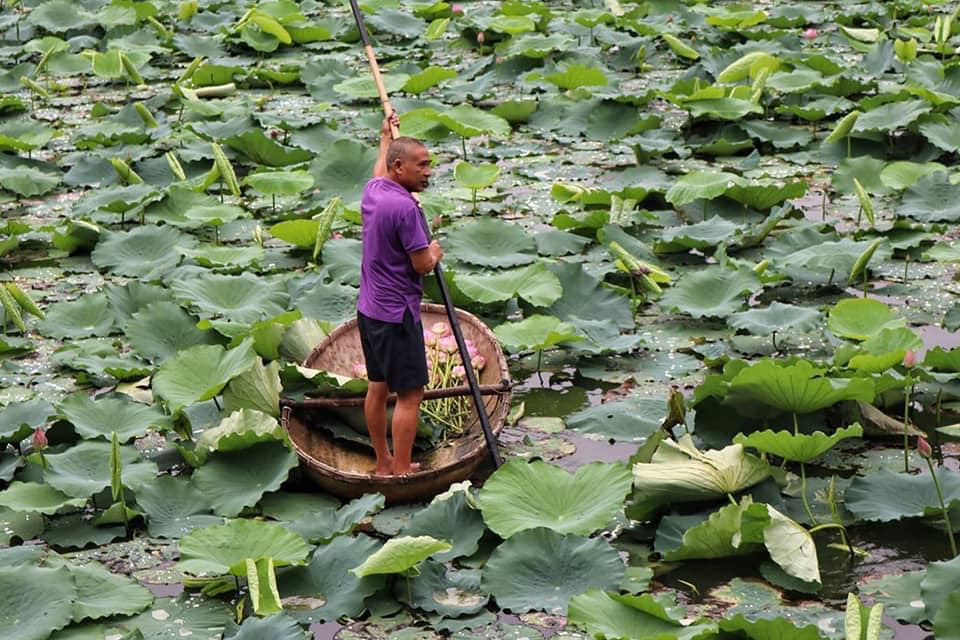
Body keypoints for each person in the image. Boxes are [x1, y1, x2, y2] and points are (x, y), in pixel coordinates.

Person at [357, 113, 443, 475]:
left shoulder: (374, 191)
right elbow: (422, 264)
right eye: (421, 166)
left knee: (378, 386)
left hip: (369, 310)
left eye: (429, 165)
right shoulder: (407, 209)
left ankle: (383, 462)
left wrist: (383, 136)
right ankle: (404, 470)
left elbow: (379, 168)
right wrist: (436, 246)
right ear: (399, 167)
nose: (428, 172)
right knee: (410, 395)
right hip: (397, 315)